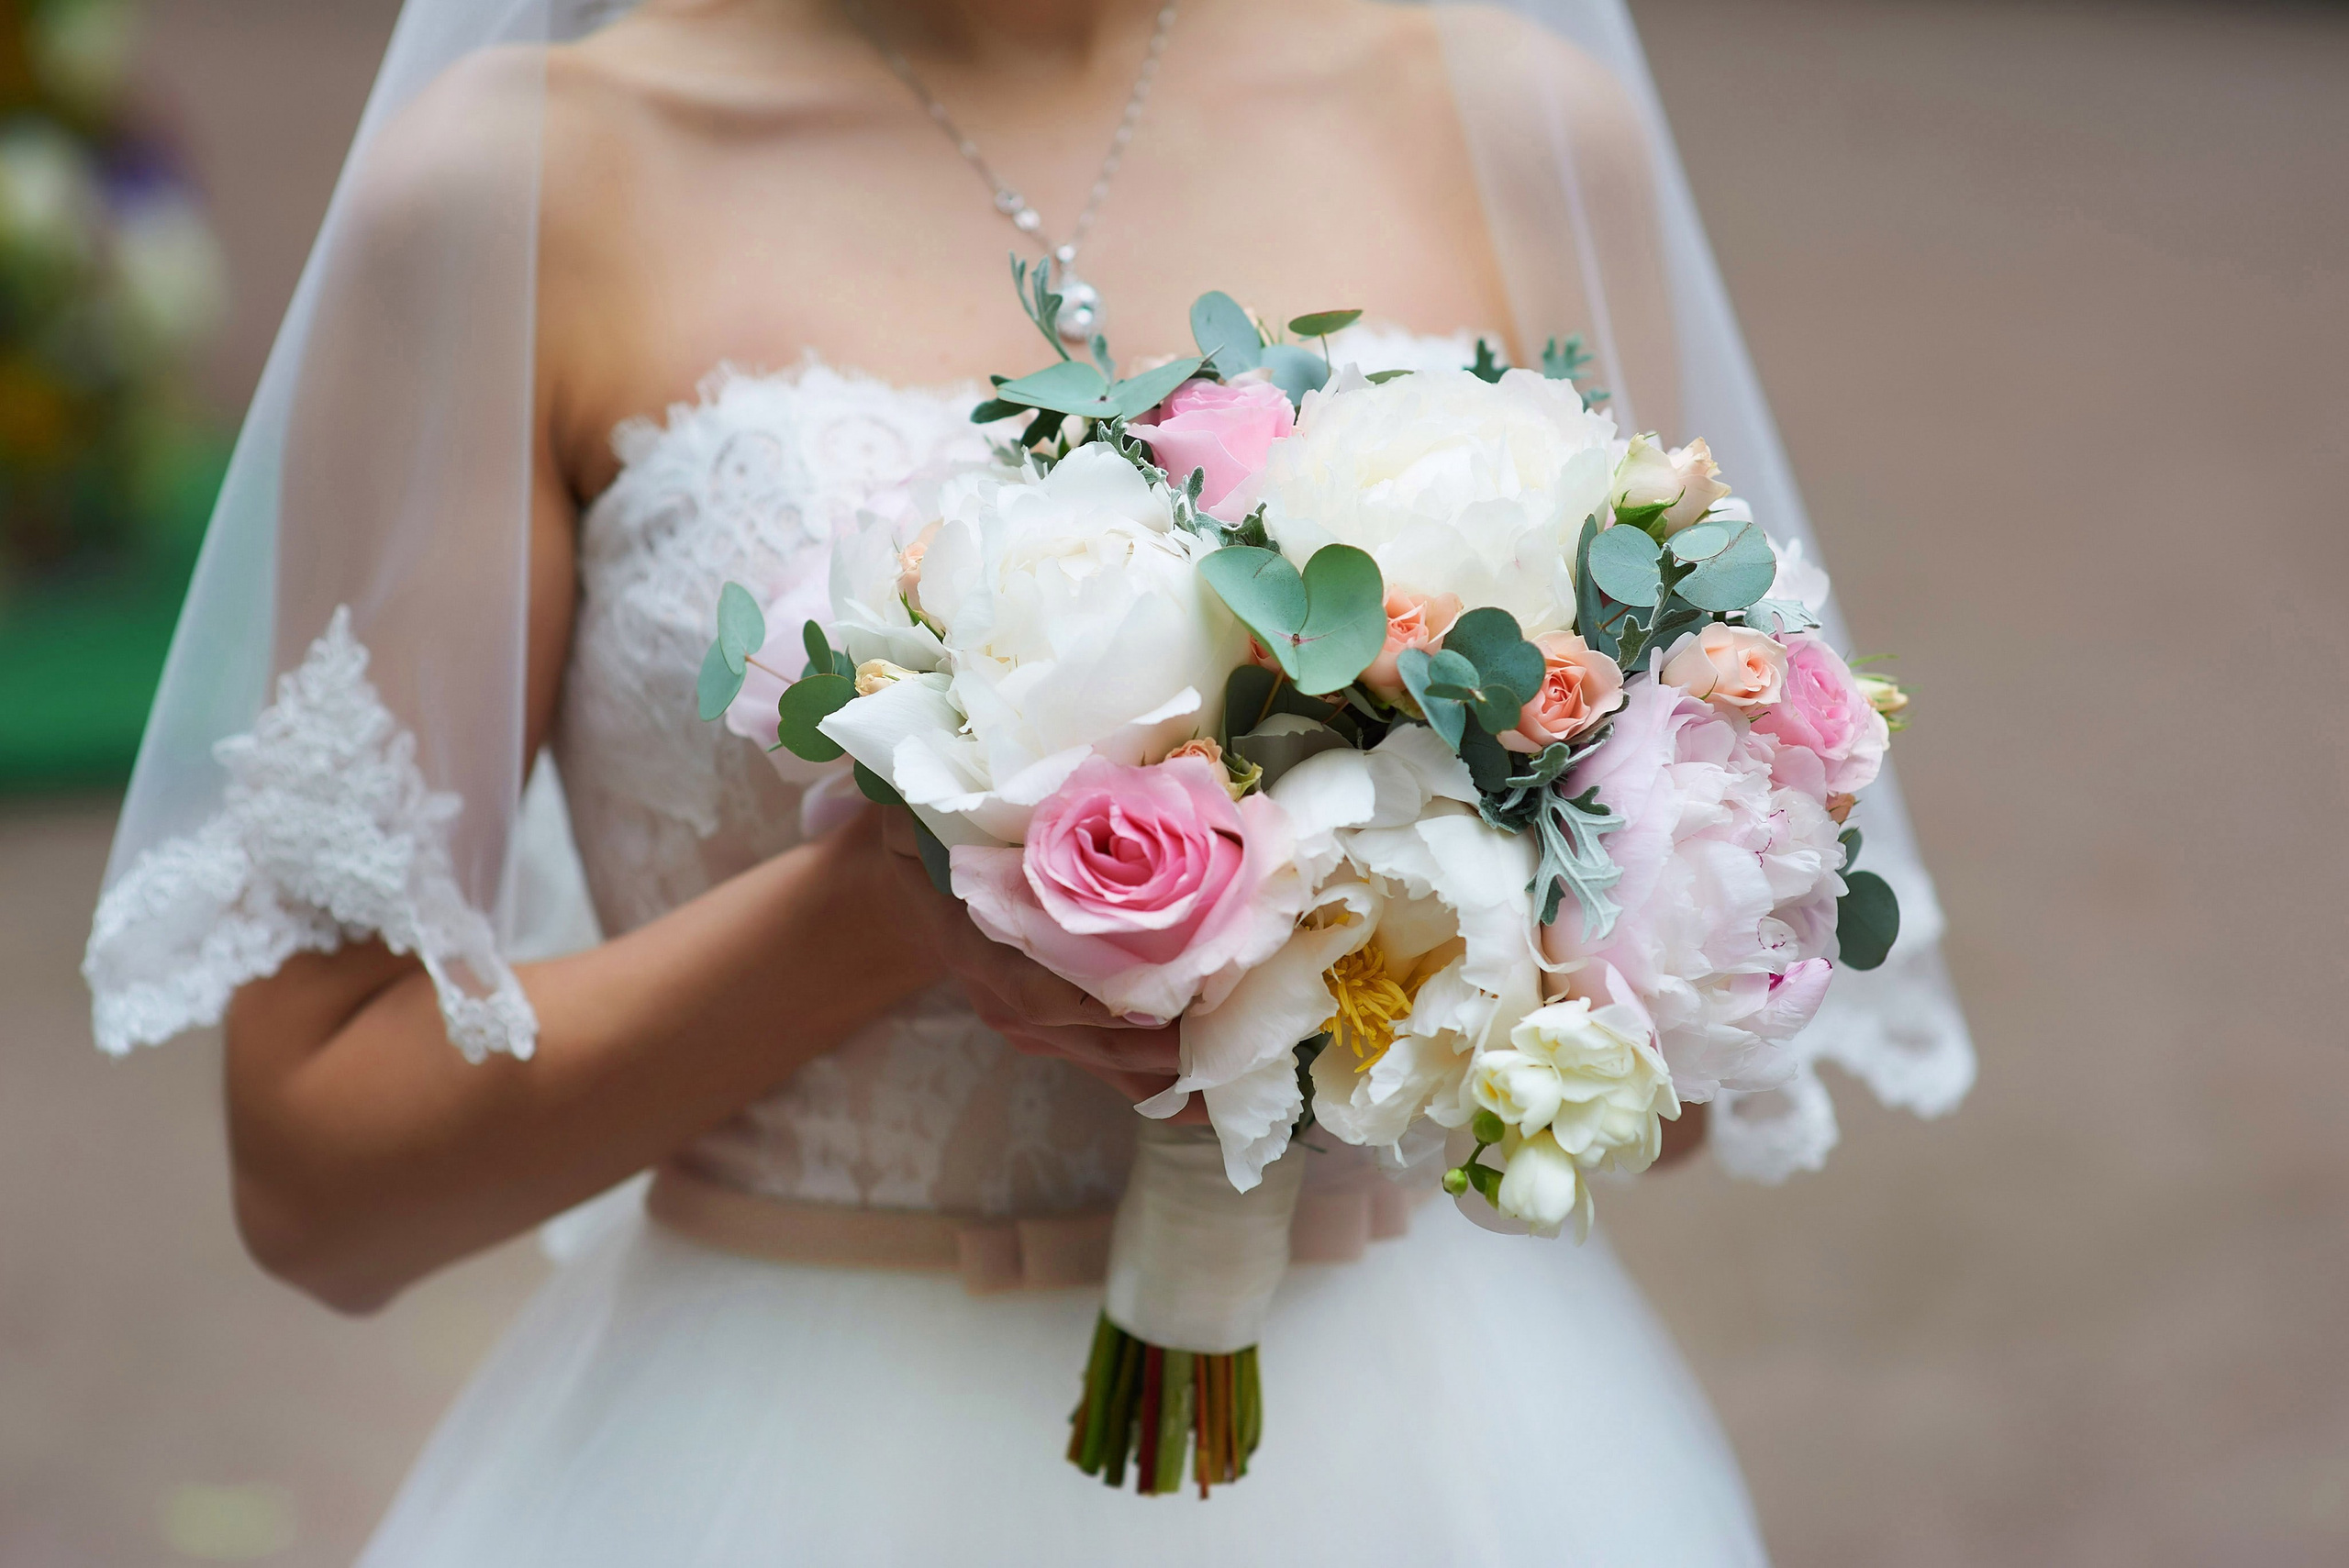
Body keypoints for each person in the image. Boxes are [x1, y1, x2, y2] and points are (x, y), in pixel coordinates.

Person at [83, 1, 1971, 1561]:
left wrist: (1451, 902)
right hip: (780, 1454)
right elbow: (323, 1183)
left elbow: (1687, 1078)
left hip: (1441, 1444)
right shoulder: (516, 187)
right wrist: (887, 912)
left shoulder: (1505, 114)